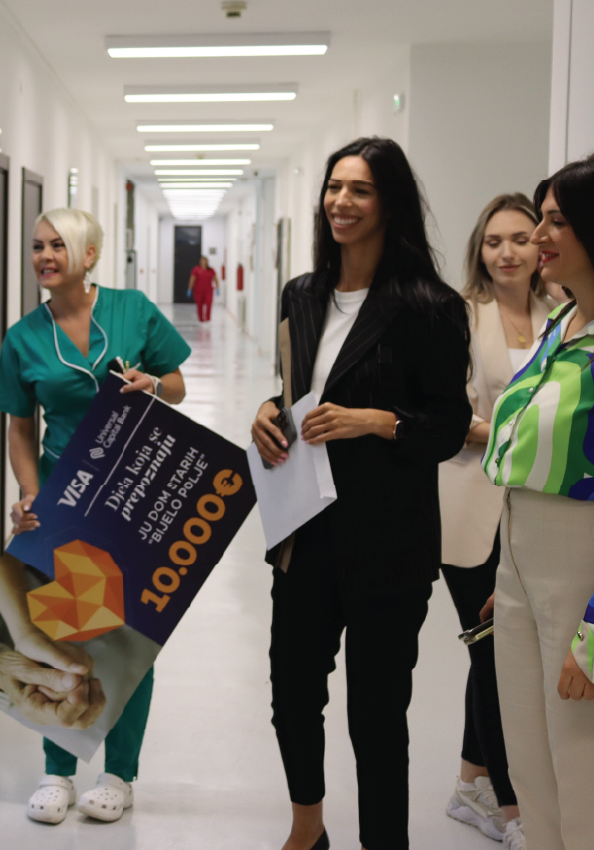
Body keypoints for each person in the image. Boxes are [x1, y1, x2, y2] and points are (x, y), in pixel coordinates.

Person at [250, 137, 471, 850]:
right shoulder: (302, 294)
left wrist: (375, 421)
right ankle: (307, 829)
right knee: (292, 696)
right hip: (305, 531)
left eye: (361, 190)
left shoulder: (429, 306)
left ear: (390, 204)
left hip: (387, 545)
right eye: (334, 187)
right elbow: (297, 391)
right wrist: (267, 413)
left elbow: (447, 427)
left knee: (375, 719)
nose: (340, 202)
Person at [0, 207, 190, 825]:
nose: (45, 256)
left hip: (133, 491)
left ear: (90, 254)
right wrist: (30, 494)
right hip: (65, 497)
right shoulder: (24, 337)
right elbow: (19, 428)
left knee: (130, 634)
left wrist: (153, 385)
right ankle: (58, 770)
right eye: (37, 246)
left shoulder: (132, 311)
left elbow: (177, 384)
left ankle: (119, 776)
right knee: (65, 629)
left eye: (58, 245)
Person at [482, 153, 594, 850]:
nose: (538, 237)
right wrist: (511, 568)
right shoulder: (562, 321)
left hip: (581, 566)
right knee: (530, 763)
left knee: (581, 766)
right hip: (522, 559)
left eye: (555, 221)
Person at [437, 194, 551, 848]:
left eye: (520, 238)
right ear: (478, 250)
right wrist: (521, 432)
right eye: (493, 241)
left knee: (503, 651)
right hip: (469, 507)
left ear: (540, 246)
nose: (507, 252)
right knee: (492, 653)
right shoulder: (460, 315)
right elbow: (448, 417)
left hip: (535, 506)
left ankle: (467, 783)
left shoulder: (558, 312)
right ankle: (511, 811)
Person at [187, 255, 218, 322]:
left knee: (209, 303)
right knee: (199, 304)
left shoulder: (211, 270)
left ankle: (207, 318)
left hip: (208, 290)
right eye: (202, 260)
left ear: (207, 261)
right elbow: (192, 280)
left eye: (204, 260)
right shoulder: (196, 269)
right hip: (198, 291)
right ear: (200, 261)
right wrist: (189, 289)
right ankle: (201, 319)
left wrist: (218, 288)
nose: (203, 262)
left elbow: (215, 279)